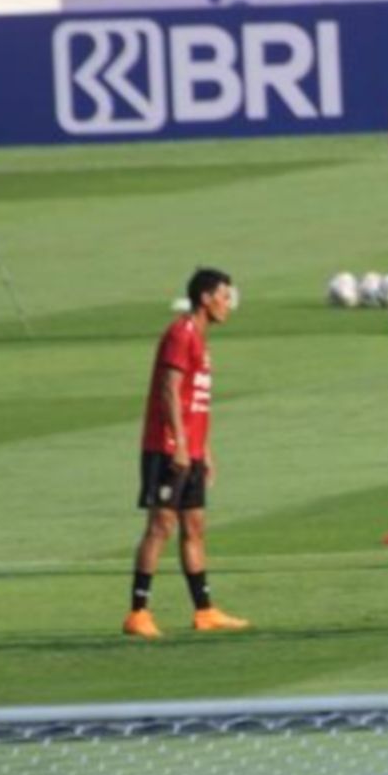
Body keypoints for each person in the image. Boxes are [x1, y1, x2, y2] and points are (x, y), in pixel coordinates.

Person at [124, 268, 250, 638]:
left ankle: (205, 610)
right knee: (161, 526)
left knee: (194, 527)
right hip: (166, 449)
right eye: (225, 296)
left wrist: (203, 450)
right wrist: (179, 443)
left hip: (189, 450)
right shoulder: (181, 335)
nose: (229, 304)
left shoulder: (200, 338)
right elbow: (168, 391)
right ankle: (138, 612)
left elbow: (193, 401)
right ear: (206, 298)